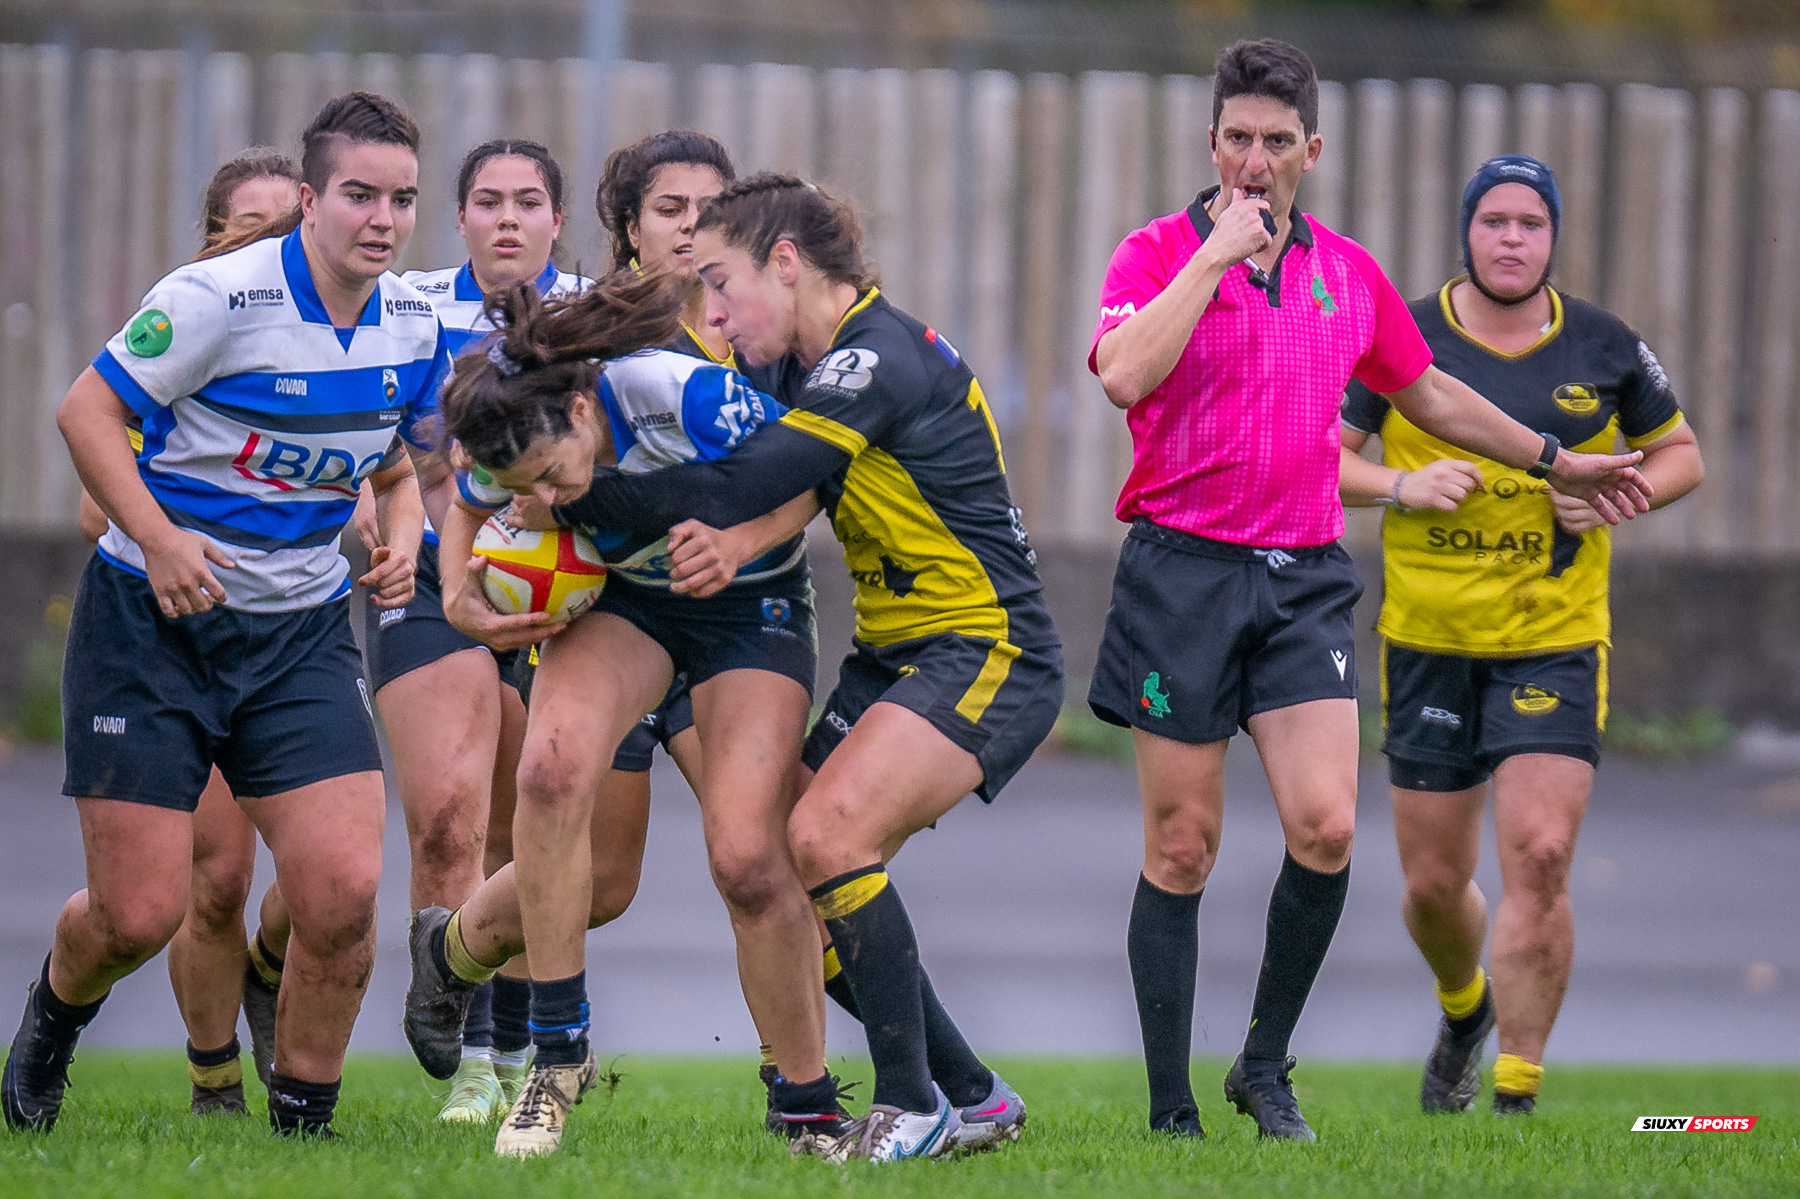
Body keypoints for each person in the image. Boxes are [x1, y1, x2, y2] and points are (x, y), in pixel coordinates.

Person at [1085, 39, 1651, 1142]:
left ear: (1313, 151)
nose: (1255, 161)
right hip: (1181, 571)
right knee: (1183, 843)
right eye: (1237, 140)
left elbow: (1427, 388)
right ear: (1211, 145)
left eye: (1277, 143)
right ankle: (1168, 1110)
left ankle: (1263, 1064)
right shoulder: (1155, 253)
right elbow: (1121, 375)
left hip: (1301, 577)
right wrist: (1212, 262)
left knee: (1330, 825)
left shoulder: (1349, 273)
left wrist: (1552, 457)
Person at [549, 174, 1062, 1162]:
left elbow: (748, 478)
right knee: (793, 869)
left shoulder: (875, 360)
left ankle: (912, 1106)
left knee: (828, 835)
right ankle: (970, 1091)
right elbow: (801, 480)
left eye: (723, 283)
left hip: (988, 647)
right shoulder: (809, 362)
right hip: (897, 652)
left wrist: (574, 498)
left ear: (786, 264)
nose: (715, 313)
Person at [2, 91, 445, 1138]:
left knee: (339, 892)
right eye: (358, 195)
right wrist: (158, 538)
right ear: (307, 198)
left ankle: (302, 1126)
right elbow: (85, 410)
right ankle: (51, 1024)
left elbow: (397, 458)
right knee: (138, 914)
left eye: (402, 199)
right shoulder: (216, 297)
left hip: (298, 630)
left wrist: (408, 528)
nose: (381, 219)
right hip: (150, 624)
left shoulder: (412, 321)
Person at [408, 269, 830, 1160]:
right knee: (550, 769)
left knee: (750, 857)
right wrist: (456, 594)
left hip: (747, 606)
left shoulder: (684, 395)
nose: (551, 501)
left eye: (556, 476)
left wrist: (741, 539)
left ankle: (806, 1105)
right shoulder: (510, 435)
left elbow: (818, 471)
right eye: (535, 488)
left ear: (584, 406)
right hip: (629, 606)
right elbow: (465, 508)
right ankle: (554, 1064)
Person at [235, 138, 592, 1126]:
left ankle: (506, 1037)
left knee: (535, 830)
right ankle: (476, 1067)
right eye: (488, 201)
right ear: (462, 216)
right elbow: (364, 433)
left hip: (562, 590)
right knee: (448, 817)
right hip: (435, 579)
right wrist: (373, 512)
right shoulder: (411, 305)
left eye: (529, 201)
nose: (508, 218)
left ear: (558, 221)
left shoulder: (593, 315)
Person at [1339, 154, 1703, 1117]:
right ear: (1467, 230)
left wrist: (1617, 505)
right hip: (1427, 640)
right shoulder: (1400, 336)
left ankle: (1516, 1095)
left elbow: (1682, 456)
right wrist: (1400, 486)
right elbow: (1325, 466)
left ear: (1552, 237)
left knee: (1539, 854)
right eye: (1494, 221)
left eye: (1530, 224)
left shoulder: (1605, 345)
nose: (1511, 239)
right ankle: (1466, 1010)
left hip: (1555, 639)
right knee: (1431, 885)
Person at [70, 149, 302, 1119]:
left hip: (289, 629)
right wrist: (174, 537)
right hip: (174, 631)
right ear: (214, 236)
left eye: (287, 223)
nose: (271, 241)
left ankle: (262, 965)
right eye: (248, 224)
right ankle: (215, 1080)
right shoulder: (182, 330)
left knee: (320, 876)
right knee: (212, 876)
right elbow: (95, 508)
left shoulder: (333, 344)